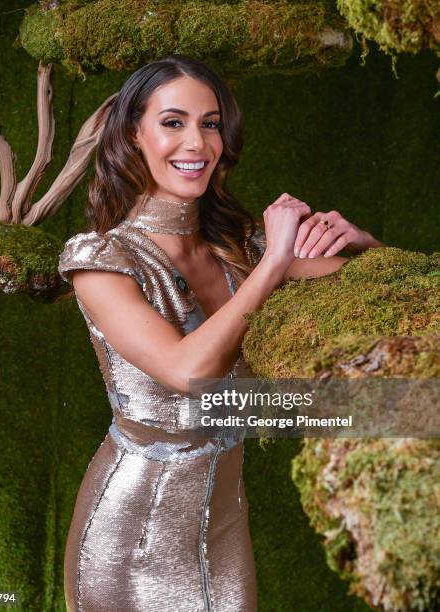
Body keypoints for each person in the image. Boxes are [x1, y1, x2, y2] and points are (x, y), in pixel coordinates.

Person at [57, 54, 383, 612]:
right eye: (173, 122)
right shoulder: (100, 258)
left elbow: (376, 287)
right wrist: (275, 263)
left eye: (210, 124)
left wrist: (363, 241)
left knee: (411, 408)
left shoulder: (240, 249)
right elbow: (190, 373)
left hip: (224, 518)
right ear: (134, 133)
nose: (197, 143)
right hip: (130, 531)